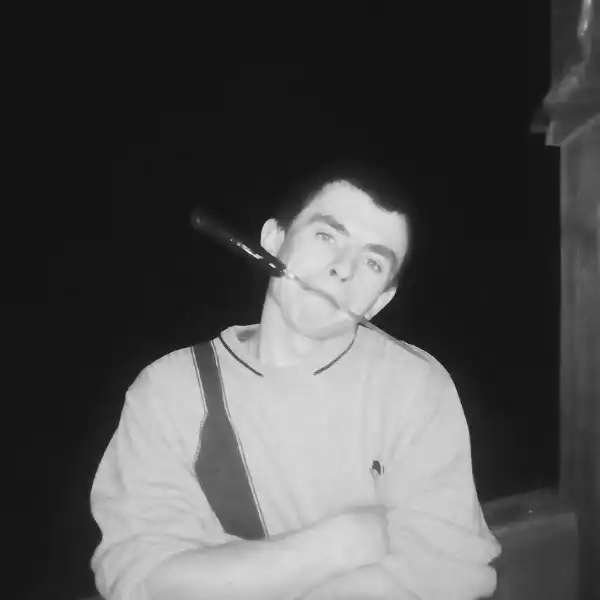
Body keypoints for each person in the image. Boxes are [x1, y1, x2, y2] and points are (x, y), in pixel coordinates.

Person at [90, 164, 501, 600]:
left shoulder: (416, 387)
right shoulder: (167, 392)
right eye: (326, 236)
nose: (343, 270)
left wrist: (228, 573)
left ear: (380, 301)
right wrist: (338, 545)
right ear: (273, 241)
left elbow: (447, 571)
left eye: (373, 262)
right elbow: (141, 578)